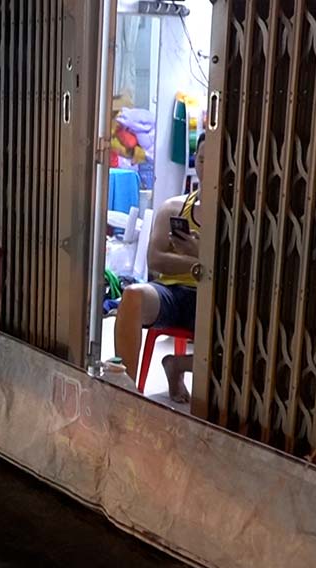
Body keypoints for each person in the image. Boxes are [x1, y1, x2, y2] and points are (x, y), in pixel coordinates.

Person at [114, 136, 209, 404]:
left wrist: (195, 255)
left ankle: (178, 365)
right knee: (132, 295)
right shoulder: (174, 208)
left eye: (214, 159)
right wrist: (199, 263)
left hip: (210, 299)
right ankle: (125, 392)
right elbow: (155, 259)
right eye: (202, 159)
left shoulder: (237, 214)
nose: (207, 166)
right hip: (172, 293)